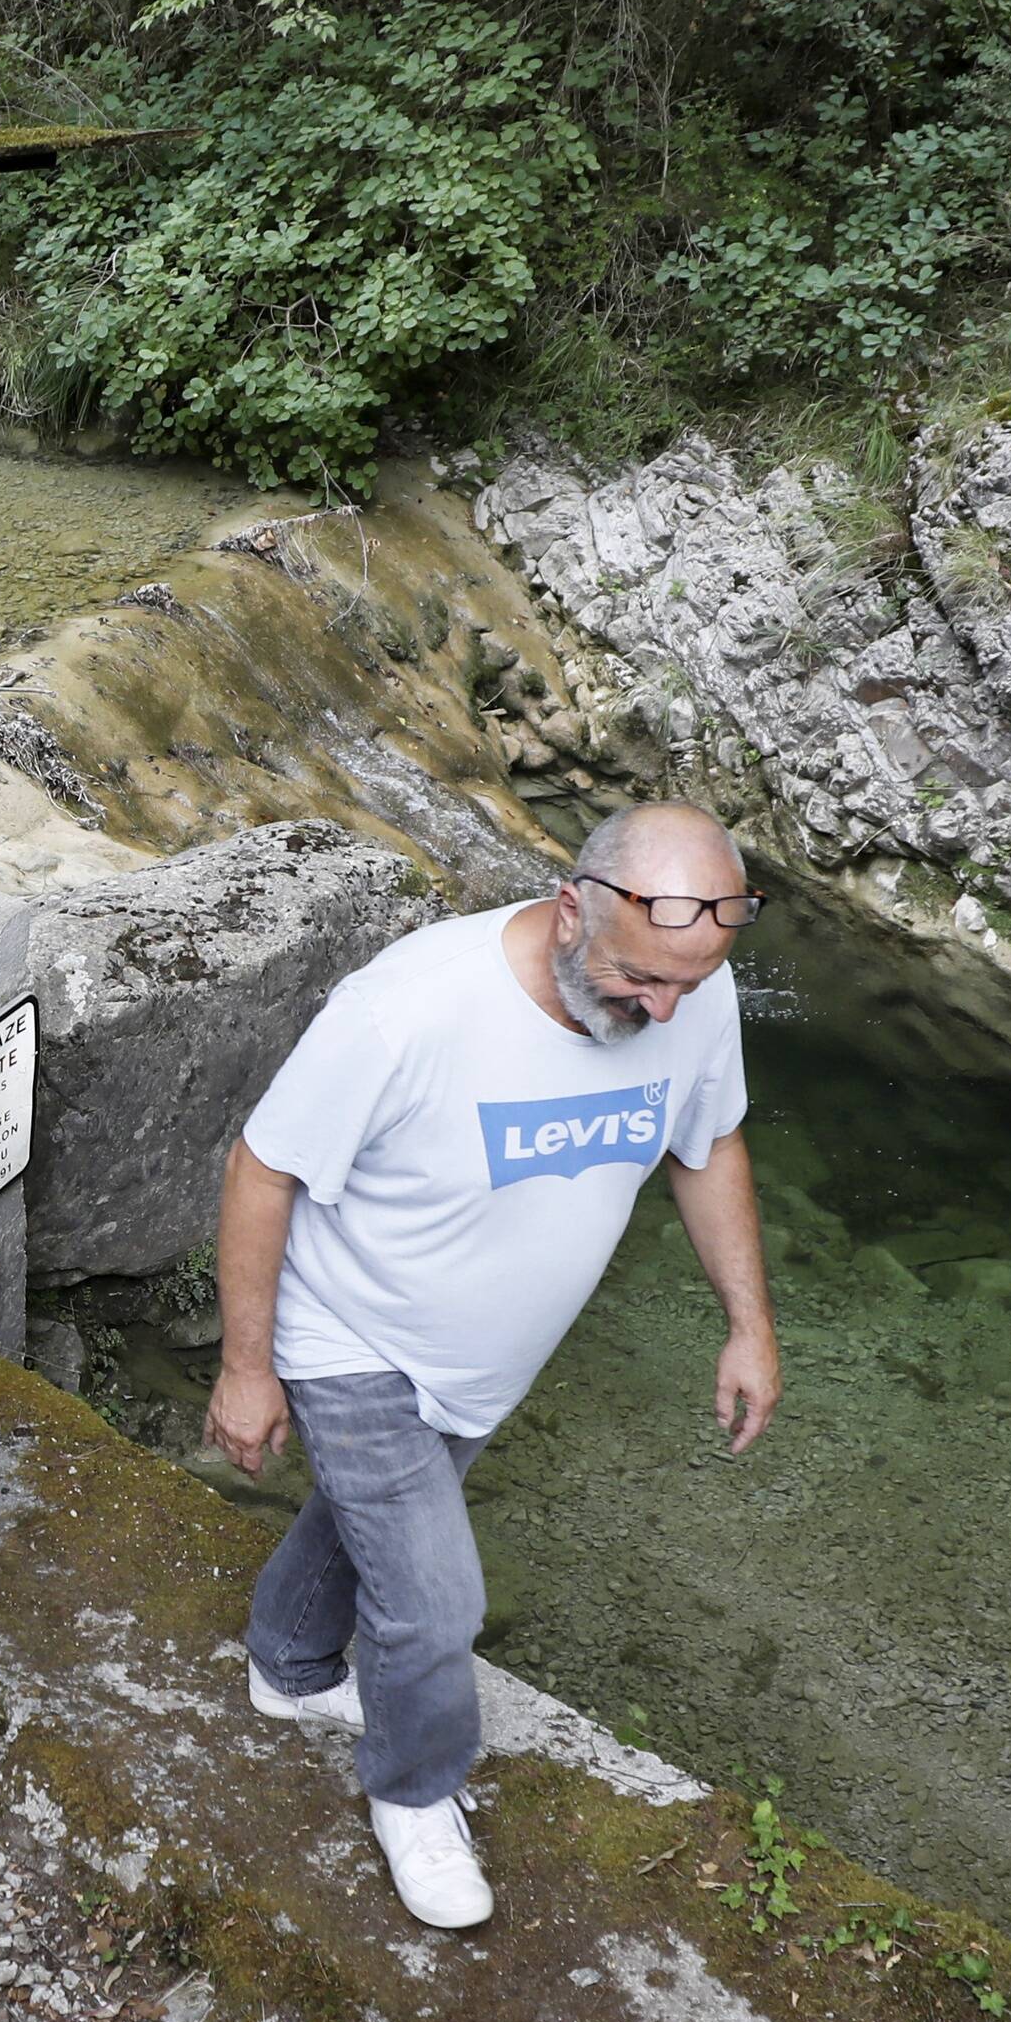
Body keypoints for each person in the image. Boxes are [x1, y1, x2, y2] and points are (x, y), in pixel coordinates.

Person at [207, 805, 780, 1930]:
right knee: (432, 1597)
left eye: (686, 984)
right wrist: (244, 1367)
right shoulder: (407, 1008)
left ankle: (284, 1662)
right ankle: (414, 1790)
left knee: (371, 1521)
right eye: (638, 980)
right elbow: (261, 1165)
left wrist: (747, 1323)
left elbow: (705, 1143)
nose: (662, 1010)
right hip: (352, 1333)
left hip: (482, 1361)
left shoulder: (689, 991)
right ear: (572, 908)